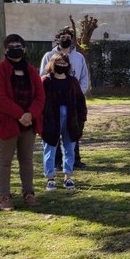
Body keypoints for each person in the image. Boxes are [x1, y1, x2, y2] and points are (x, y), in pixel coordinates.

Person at [0, 34, 46, 210]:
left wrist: (30, 114)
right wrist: (20, 114)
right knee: (4, 161)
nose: (15, 48)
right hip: (6, 123)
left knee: (27, 160)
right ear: (5, 50)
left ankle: (28, 193)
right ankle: (4, 196)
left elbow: (40, 96)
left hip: (28, 124)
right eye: (11, 46)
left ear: (24, 49)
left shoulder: (32, 71)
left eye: (19, 45)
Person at [39, 27, 90, 169]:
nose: (66, 38)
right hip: (53, 101)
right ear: (57, 39)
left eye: (68, 36)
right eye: (63, 36)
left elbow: (84, 77)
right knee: (53, 131)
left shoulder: (79, 57)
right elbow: (43, 75)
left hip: (72, 100)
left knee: (73, 130)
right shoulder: (49, 55)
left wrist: (79, 91)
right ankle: (55, 162)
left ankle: (75, 160)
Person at [41, 53, 87, 191]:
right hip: (51, 119)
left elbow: (80, 100)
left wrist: (81, 118)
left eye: (64, 63)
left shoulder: (73, 81)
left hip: (71, 119)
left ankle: (68, 176)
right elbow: (39, 101)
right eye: (58, 62)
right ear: (52, 63)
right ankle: (50, 178)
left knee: (69, 148)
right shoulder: (46, 81)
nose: (61, 65)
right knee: (49, 149)